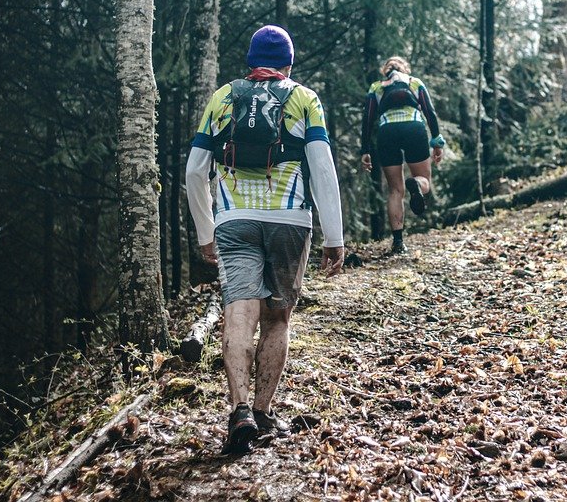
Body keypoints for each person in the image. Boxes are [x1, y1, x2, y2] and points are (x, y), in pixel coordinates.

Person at [186, 25, 345, 454]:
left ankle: (237, 411)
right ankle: (262, 412)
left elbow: (194, 171)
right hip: (291, 221)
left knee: (239, 311)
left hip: (233, 220)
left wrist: (206, 233)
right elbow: (323, 169)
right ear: (288, 64)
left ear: (251, 63)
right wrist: (335, 236)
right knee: (277, 317)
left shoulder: (222, 97)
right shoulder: (304, 98)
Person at [360, 56, 445, 254]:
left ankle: (398, 242)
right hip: (413, 128)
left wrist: (365, 150)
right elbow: (430, 113)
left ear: (385, 71)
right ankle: (416, 183)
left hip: (387, 132)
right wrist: (437, 143)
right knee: (424, 179)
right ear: (405, 69)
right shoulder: (414, 83)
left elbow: (367, 119)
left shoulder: (376, 87)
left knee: (395, 190)